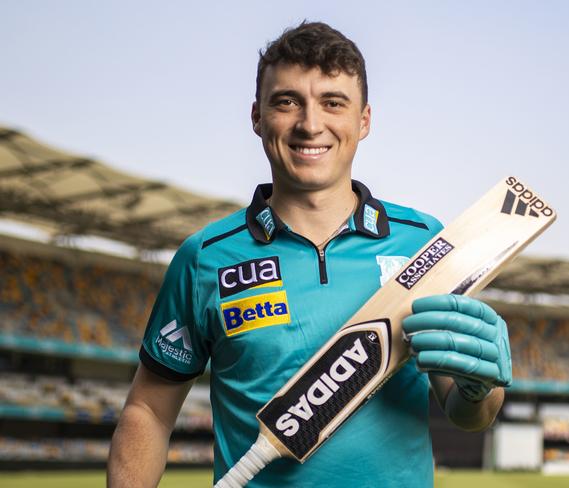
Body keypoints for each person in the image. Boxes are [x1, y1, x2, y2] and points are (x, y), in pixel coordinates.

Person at [107, 21, 511, 488]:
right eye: (287, 101)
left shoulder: (426, 242)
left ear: (364, 121)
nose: (310, 124)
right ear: (257, 116)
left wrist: (479, 388)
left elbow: (466, 414)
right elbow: (149, 410)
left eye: (333, 103)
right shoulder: (204, 258)